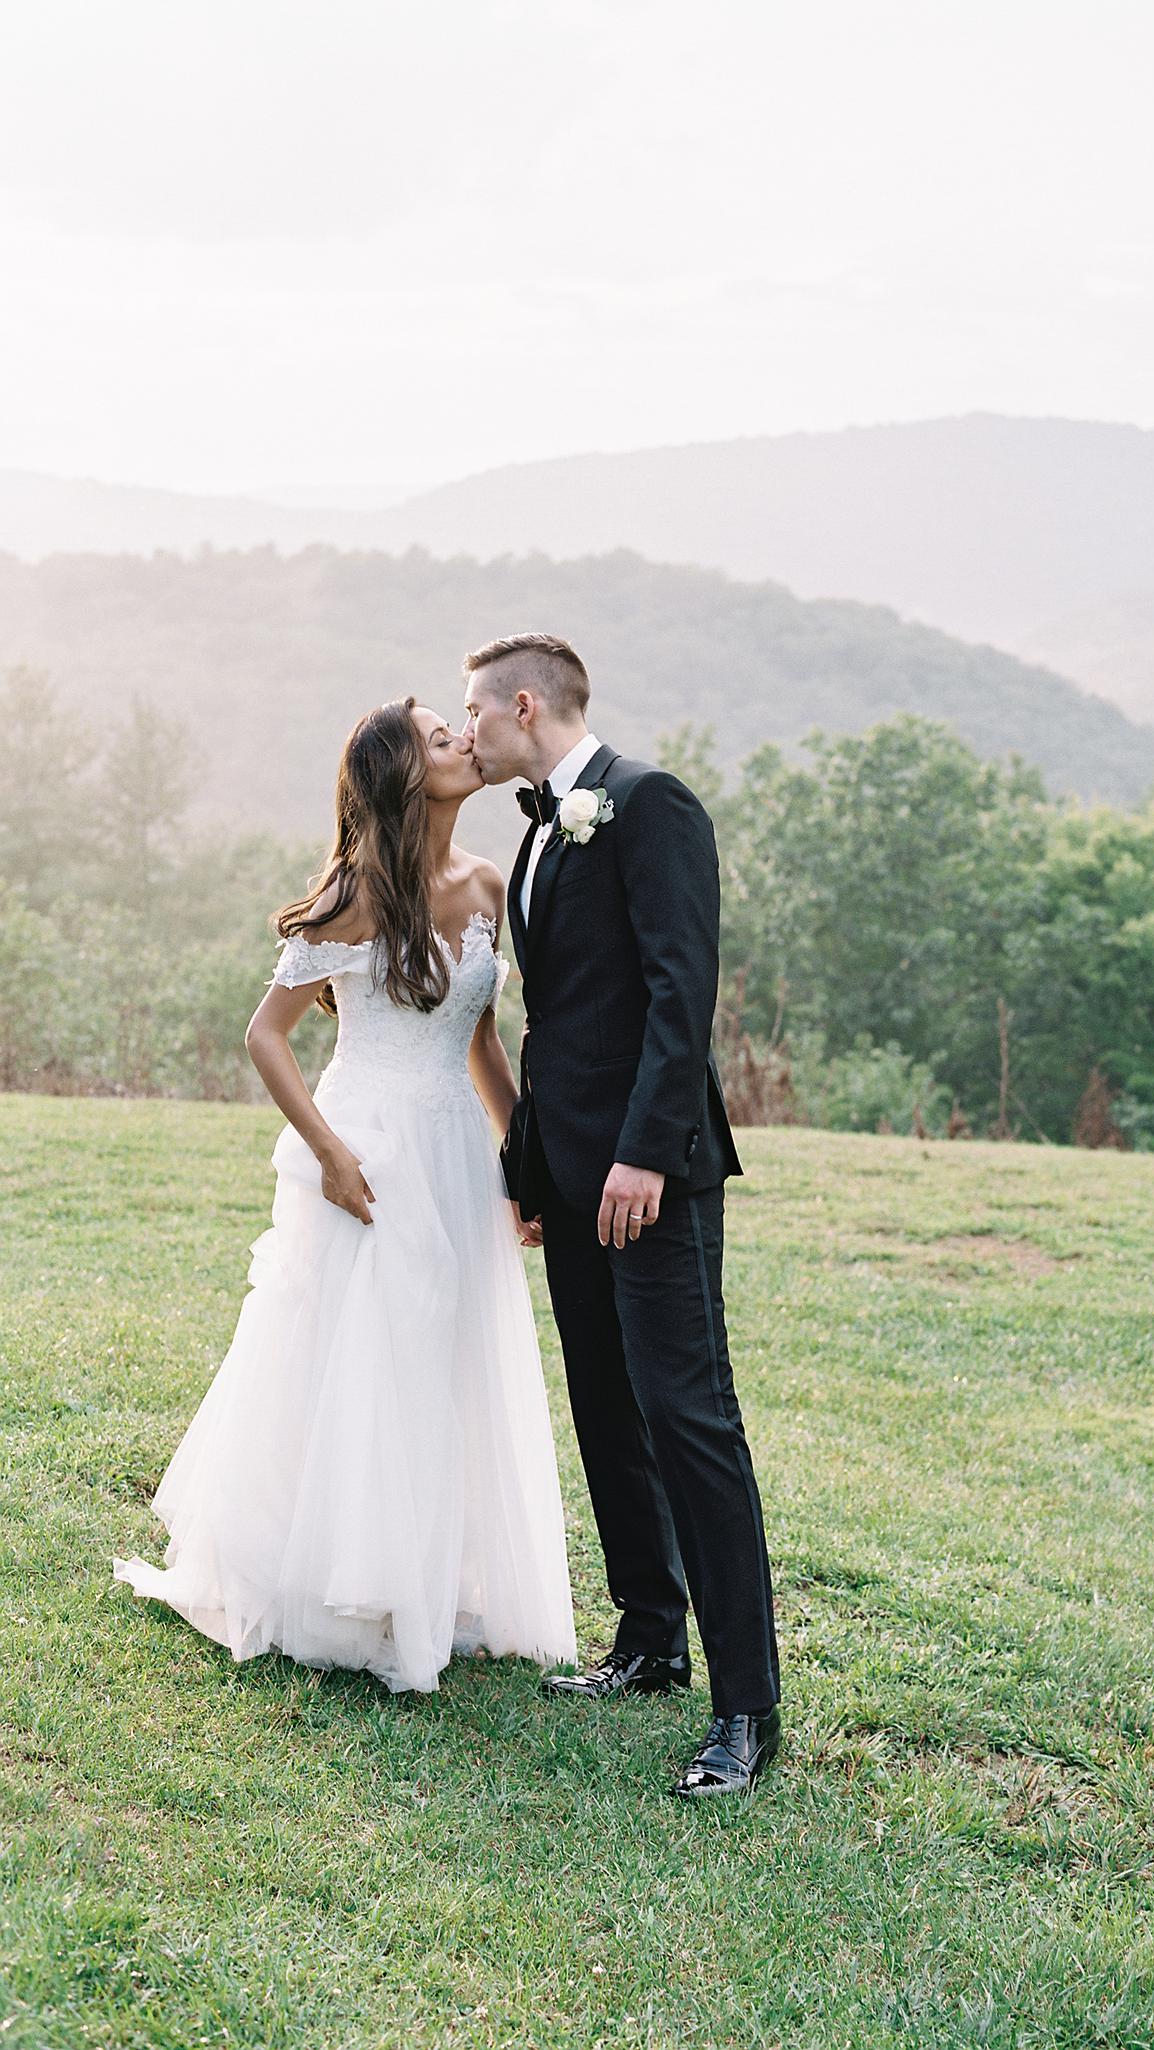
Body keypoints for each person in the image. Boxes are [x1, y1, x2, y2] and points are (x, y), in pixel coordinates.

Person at [112, 698, 577, 1693]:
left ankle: (424, 1574)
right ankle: (340, 1584)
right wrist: (325, 1150)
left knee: (441, 1352)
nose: (460, 737)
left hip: (451, 1147)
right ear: (404, 775)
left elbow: (484, 1040)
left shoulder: (486, 881)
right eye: (436, 736)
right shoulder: (356, 893)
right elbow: (265, 1033)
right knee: (366, 1354)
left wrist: (522, 1165)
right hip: (365, 1142)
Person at [460, 632, 781, 1798]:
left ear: (525, 705)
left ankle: (747, 1710)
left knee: (688, 1416)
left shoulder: (648, 805)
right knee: (605, 1402)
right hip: (572, 1178)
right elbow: (557, 1026)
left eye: (475, 713)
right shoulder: (540, 826)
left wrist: (647, 1153)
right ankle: (650, 1635)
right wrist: (530, 1168)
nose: (468, 731)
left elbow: (676, 990)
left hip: (654, 1179)